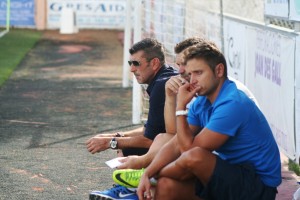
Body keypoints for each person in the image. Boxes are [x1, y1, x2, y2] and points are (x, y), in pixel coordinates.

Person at [137, 41, 281, 199]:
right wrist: (148, 171)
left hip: (257, 186)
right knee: (167, 186)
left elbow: (190, 152)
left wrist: (181, 106)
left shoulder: (233, 103)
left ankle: (146, 181)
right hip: (228, 174)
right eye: (190, 74)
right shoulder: (202, 101)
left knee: (195, 156)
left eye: (198, 73)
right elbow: (177, 142)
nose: (192, 80)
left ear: (219, 70)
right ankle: (148, 179)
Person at [88, 38, 177, 199]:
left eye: (136, 63)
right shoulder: (164, 77)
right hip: (177, 143)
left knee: (128, 147)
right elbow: (150, 128)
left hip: (183, 149)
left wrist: (111, 142)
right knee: (124, 142)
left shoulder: (161, 86)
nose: (132, 69)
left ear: (155, 63)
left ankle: (131, 191)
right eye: (130, 63)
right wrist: (116, 136)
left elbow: (150, 140)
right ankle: (128, 189)